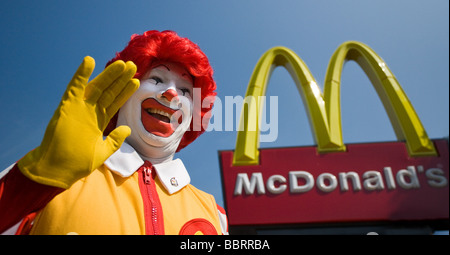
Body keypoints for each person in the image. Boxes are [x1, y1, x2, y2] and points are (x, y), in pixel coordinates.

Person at [0, 30, 228, 235]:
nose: (171, 93)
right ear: (120, 91)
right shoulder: (43, 170)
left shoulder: (215, 214)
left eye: (185, 90)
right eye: (157, 79)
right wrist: (33, 185)